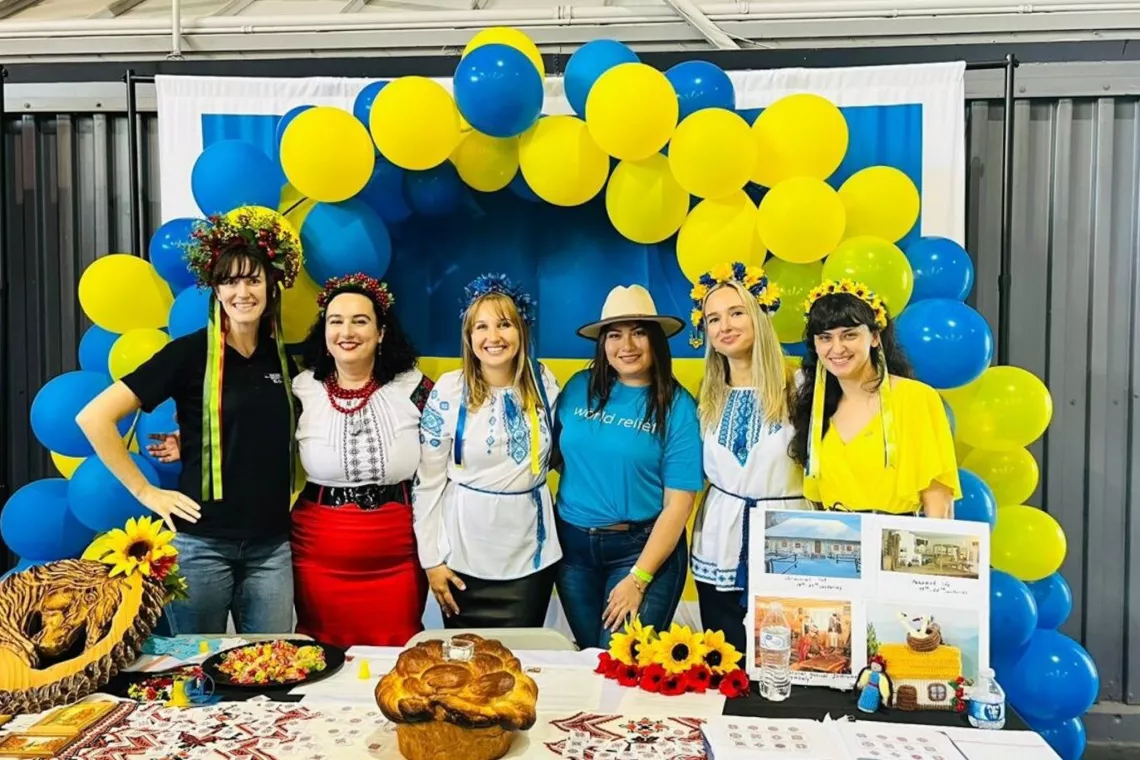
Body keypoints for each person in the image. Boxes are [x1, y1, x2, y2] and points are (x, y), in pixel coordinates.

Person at [76, 210, 300, 634]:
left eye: (252, 279)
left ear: (271, 286)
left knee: (270, 670)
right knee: (196, 677)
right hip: (201, 544)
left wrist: (196, 440)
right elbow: (94, 417)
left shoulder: (284, 360)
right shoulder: (188, 354)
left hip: (273, 549)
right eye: (230, 281)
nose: (242, 292)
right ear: (215, 290)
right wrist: (145, 491)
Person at [554, 284, 703, 649]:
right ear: (602, 343)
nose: (628, 346)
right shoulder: (578, 387)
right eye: (615, 335)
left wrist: (639, 578)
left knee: (621, 661)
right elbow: (556, 455)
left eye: (639, 333)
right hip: (573, 550)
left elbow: (678, 505)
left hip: (640, 549)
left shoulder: (678, 407)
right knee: (590, 657)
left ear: (656, 341)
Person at [291, 273, 433, 647]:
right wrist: (189, 441)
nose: (346, 331)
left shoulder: (415, 386)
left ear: (381, 332)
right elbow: (252, 438)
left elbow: (453, 443)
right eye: (335, 321)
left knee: (396, 658)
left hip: (397, 554)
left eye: (360, 320)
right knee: (319, 656)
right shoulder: (301, 387)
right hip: (318, 553)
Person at [413, 274, 561, 628]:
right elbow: (428, 482)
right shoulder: (449, 390)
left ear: (522, 331)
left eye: (504, 324)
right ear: (469, 336)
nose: (493, 337)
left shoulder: (545, 383)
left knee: (523, 662)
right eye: (481, 326)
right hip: (463, 557)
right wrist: (431, 560)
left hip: (530, 558)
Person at [687, 262, 807, 655]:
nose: (725, 325)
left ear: (759, 315)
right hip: (718, 541)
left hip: (787, 540)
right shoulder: (707, 397)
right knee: (726, 660)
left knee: (789, 656)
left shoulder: (801, 389)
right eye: (713, 318)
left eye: (736, 312)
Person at [789, 280, 960, 517]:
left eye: (849, 335)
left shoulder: (914, 398)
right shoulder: (816, 408)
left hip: (897, 544)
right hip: (837, 544)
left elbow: (939, 499)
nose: (837, 349)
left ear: (875, 337)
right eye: (825, 338)